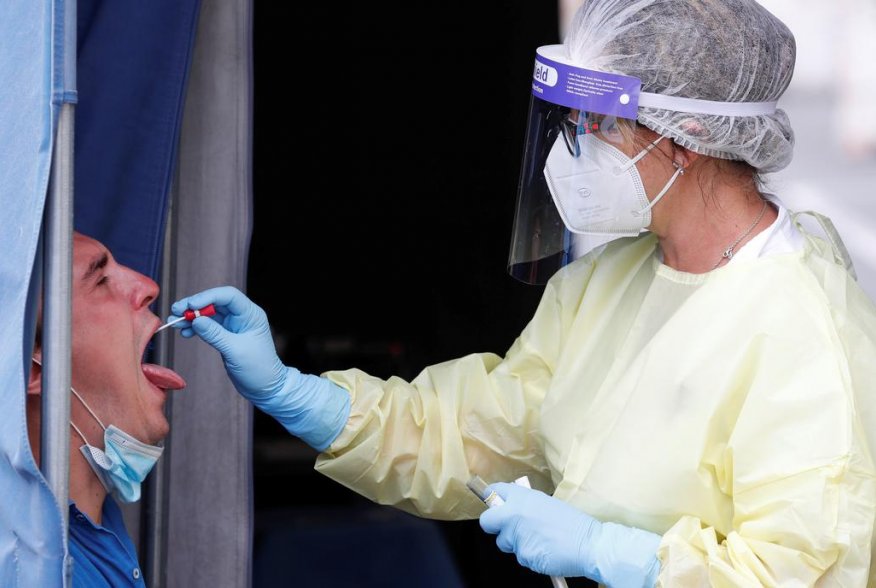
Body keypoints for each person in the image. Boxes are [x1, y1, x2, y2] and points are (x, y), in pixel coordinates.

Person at [170, 0, 876, 585]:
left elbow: (807, 571)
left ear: (686, 135)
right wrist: (301, 397)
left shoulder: (801, 330)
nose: (576, 148)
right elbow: (475, 435)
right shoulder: (605, 285)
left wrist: (621, 557)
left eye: (599, 123)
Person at [27, 231, 187, 587]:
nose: (149, 286)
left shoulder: (95, 526)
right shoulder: (27, 568)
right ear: (35, 369)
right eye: (100, 279)